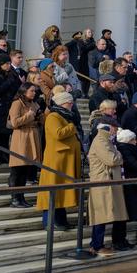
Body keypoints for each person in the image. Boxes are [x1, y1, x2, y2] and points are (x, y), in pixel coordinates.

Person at [36, 89, 81, 230]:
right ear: (64, 103)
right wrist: (72, 127)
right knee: (54, 191)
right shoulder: (53, 116)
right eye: (70, 102)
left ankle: (61, 220)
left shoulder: (64, 116)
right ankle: (50, 222)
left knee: (62, 192)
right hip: (56, 160)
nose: (71, 105)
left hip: (64, 160)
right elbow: (58, 134)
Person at [87, 121, 128, 256]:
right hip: (102, 183)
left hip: (107, 182)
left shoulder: (105, 140)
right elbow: (112, 159)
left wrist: (117, 155)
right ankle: (96, 245)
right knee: (100, 216)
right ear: (110, 128)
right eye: (115, 129)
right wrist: (119, 155)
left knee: (104, 215)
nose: (116, 132)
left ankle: (98, 244)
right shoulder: (100, 140)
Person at [7, 83, 42, 207]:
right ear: (24, 91)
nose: (34, 93)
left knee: (25, 170)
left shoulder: (34, 104)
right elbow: (15, 122)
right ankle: (15, 198)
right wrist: (29, 116)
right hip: (21, 137)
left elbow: (39, 120)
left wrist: (40, 116)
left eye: (35, 91)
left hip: (32, 136)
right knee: (17, 169)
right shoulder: (17, 103)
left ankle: (21, 197)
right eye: (31, 90)